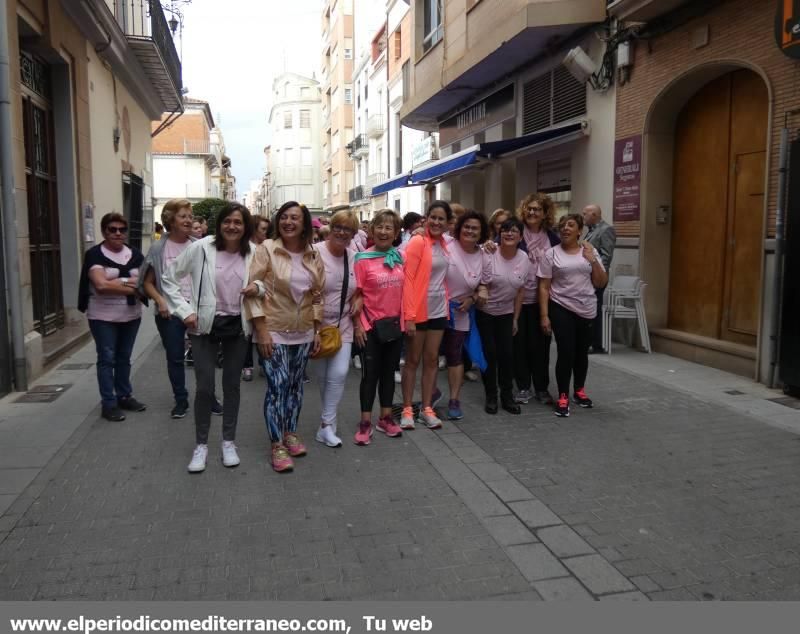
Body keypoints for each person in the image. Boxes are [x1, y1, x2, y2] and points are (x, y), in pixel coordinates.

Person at [162, 203, 261, 472]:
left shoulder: (254, 252)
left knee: (232, 386)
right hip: (204, 325)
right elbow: (169, 278)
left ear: (245, 226)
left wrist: (258, 287)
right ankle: (201, 445)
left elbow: (267, 283)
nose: (232, 226)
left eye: (238, 222)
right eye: (227, 221)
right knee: (205, 386)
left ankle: (228, 441)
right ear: (219, 225)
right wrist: (184, 311)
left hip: (238, 326)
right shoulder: (201, 248)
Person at [245, 201, 324, 473]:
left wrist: (316, 329)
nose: (288, 222)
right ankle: (276, 443)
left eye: (295, 218)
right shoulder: (266, 249)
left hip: (303, 332)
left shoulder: (312, 254)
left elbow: (317, 295)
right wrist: (262, 331)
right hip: (273, 330)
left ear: (304, 223)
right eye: (284, 217)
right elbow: (253, 291)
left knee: (295, 387)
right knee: (277, 387)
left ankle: (291, 433)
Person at [140, 199, 219, 419]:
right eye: (183, 216)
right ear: (170, 220)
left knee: (205, 358)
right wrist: (160, 300)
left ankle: (209, 397)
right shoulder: (159, 248)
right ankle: (181, 400)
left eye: (190, 216)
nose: (189, 220)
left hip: (197, 310)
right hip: (170, 312)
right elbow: (147, 282)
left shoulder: (199, 245)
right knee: (175, 358)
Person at [78, 213, 147, 422]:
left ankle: (124, 396)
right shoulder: (94, 254)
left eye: (122, 229)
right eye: (112, 229)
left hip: (131, 316)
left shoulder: (135, 255)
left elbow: (145, 284)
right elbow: (101, 286)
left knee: (124, 358)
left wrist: (118, 284)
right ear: (104, 232)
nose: (118, 233)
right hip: (102, 317)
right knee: (107, 359)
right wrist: (130, 283)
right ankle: (109, 403)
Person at [538, 213, 609, 418]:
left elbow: (601, 282)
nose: (565, 228)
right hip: (561, 307)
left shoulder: (589, 251)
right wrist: (544, 315)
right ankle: (562, 396)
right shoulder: (551, 254)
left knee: (581, 353)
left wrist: (593, 260)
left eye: (570, 225)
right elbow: (544, 287)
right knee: (566, 352)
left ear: (579, 231)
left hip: (586, 308)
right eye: (562, 226)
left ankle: (579, 391)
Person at [353, 210, 405, 445]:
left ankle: (385, 418)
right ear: (372, 230)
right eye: (380, 227)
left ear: (396, 234)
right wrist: (359, 326)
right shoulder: (362, 259)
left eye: (389, 228)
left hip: (395, 327)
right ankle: (365, 422)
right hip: (371, 327)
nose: (384, 232)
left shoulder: (401, 257)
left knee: (388, 374)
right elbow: (356, 296)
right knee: (369, 376)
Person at [400, 200, 452, 430]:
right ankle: (407, 408)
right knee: (412, 361)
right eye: (433, 217)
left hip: (439, 309)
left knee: (431, 360)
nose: (437, 222)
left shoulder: (446, 244)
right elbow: (408, 279)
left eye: (442, 218)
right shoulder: (418, 241)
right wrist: (409, 316)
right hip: (418, 311)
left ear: (447, 223)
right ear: (426, 218)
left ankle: (426, 408)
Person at [311, 210, 360, 448]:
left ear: (353, 234)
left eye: (348, 229)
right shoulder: (314, 252)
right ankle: (328, 422)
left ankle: (326, 425)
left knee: (339, 374)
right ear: (330, 228)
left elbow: (360, 287)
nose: (342, 232)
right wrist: (313, 328)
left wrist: (359, 299)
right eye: (338, 227)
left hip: (343, 324)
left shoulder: (354, 256)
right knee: (323, 378)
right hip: (317, 325)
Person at [476, 217, 529, 415]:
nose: (509, 233)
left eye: (514, 231)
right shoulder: (489, 252)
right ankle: (491, 396)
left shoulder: (524, 258)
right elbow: (479, 280)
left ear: (520, 236)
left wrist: (515, 318)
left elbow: (521, 290)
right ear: (500, 233)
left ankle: (507, 396)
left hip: (507, 314)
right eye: (505, 230)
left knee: (507, 355)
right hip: (486, 313)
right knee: (490, 354)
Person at [513, 194, 561, 405]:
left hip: (543, 301)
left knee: (541, 346)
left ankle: (541, 388)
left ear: (545, 214)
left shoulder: (553, 238)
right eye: (529, 208)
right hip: (516, 301)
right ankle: (523, 387)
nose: (532, 213)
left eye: (537, 209)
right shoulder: (515, 232)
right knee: (519, 346)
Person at [442, 210, 488, 420]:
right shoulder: (445, 245)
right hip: (435, 309)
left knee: (455, 356)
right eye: (466, 227)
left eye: (475, 228)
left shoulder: (485, 255)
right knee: (431, 356)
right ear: (459, 228)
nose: (470, 231)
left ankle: (454, 399)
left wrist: (471, 298)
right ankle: (428, 397)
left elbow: (483, 286)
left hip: (461, 312)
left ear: (481, 233)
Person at [583, 204, 616, 354]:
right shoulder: (591, 231)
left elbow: (606, 256)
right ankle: (589, 340)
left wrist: (599, 273)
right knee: (590, 308)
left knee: (595, 309)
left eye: (585, 214)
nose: (583, 217)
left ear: (594, 215)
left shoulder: (606, 230)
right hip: (588, 276)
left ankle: (596, 343)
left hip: (598, 277)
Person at [241, 215, 271, 381]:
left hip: (262, 294)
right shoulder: (244, 248)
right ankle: (247, 366)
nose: (266, 233)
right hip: (246, 294)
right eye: (263, 229)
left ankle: (264, 363)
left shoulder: (267, 247)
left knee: (262, 330)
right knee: (248, 332)